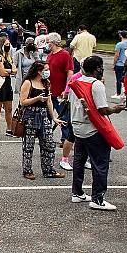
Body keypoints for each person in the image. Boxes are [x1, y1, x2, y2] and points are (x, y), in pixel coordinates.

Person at [69, 56, 125, 211]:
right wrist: (116, 109)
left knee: (79, 161)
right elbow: (102, 109)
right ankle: (98, 198)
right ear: (97, 69)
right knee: (100, 163)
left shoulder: (75, 83)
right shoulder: (96, 85)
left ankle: (77, 192)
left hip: (78, 128)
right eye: (101, 67)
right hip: (93, 129)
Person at [18, 61, 66, 180]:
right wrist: (37, 98)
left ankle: (49, 170)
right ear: (39, 71)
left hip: (44, 115)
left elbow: (49, 101)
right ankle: (27, 170)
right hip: (30, 115)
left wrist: (54, 117)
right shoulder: (28, 82)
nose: (48, 72)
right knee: (28, 145)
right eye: (45, 70)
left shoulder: (46, 83)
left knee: (48, 144)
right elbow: (22, 101)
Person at [46, 33, 76, 170]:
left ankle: (65, 139)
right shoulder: (50, 55)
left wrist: (66, 89)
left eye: (49, 42)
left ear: (55, 42)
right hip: (50, 90)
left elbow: (70, 72)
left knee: (63, 117)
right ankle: (46, 137)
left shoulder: (64, 55)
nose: (47, 44)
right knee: (48, 115)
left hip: (60, 92)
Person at [0, 41, 17, 139]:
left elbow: (14, 69)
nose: (8, 46)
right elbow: (2, 72)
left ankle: (9, 129)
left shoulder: (8, 56)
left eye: (9, 44)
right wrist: (10, 71)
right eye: (6, 44)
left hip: (7, 84)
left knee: (9, 108)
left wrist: (9, 71)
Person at [113, 31, 127, 100]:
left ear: (121, 36)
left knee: (119, 79)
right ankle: (125, 93)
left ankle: (118, 93)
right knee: (126, 79)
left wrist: (114, 64)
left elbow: (117, 55)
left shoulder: (119, 44)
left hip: (119, 64)